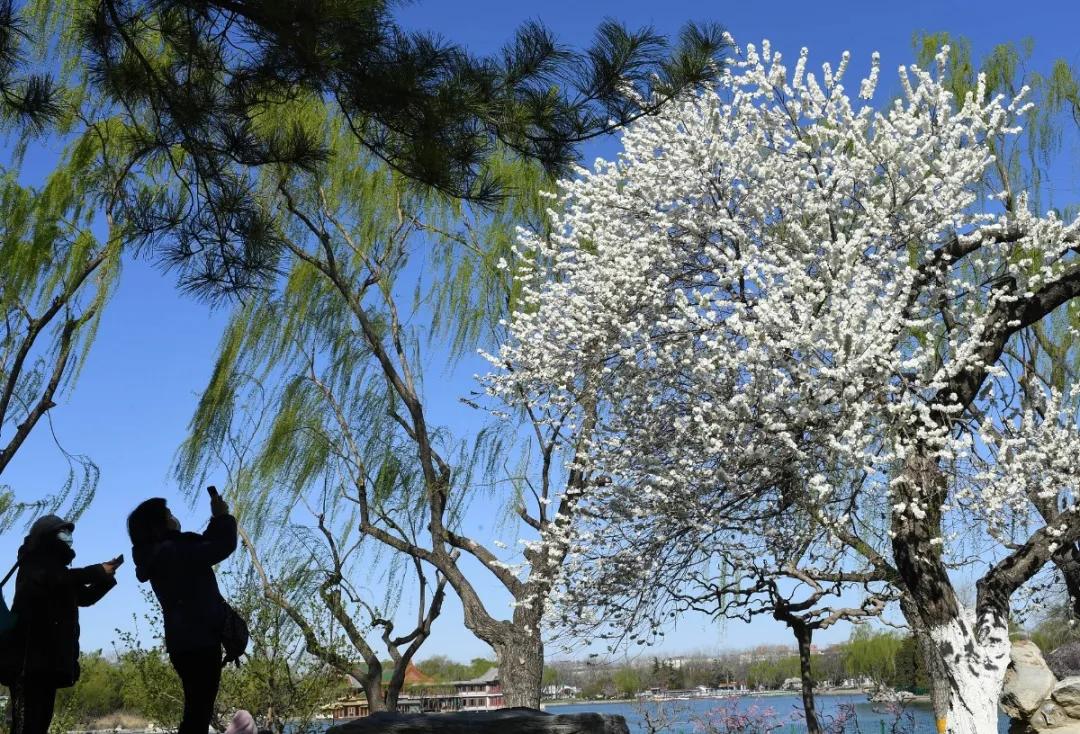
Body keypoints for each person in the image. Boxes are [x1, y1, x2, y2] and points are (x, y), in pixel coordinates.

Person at [128, 489, 237, 734]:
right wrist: (221, 517)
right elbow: (219, 546)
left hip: (181, 642)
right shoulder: (174, 550)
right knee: (199, 713)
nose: (173, 517)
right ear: (158, 524)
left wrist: (216, 522)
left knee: (196, 708)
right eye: (168, 514)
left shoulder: (160, 554)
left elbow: (201, 548)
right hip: (202, 639)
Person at [5, 515, 121, 734]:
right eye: (62, 532)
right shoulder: (32, 562)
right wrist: (97, 571)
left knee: (40, 723)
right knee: (26, 724)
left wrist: (107, 578)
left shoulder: (59, 571)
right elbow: (54, 579)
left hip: (49, 662)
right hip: (28, 663)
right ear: (47, 536)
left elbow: (84, 597)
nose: (68, 537)